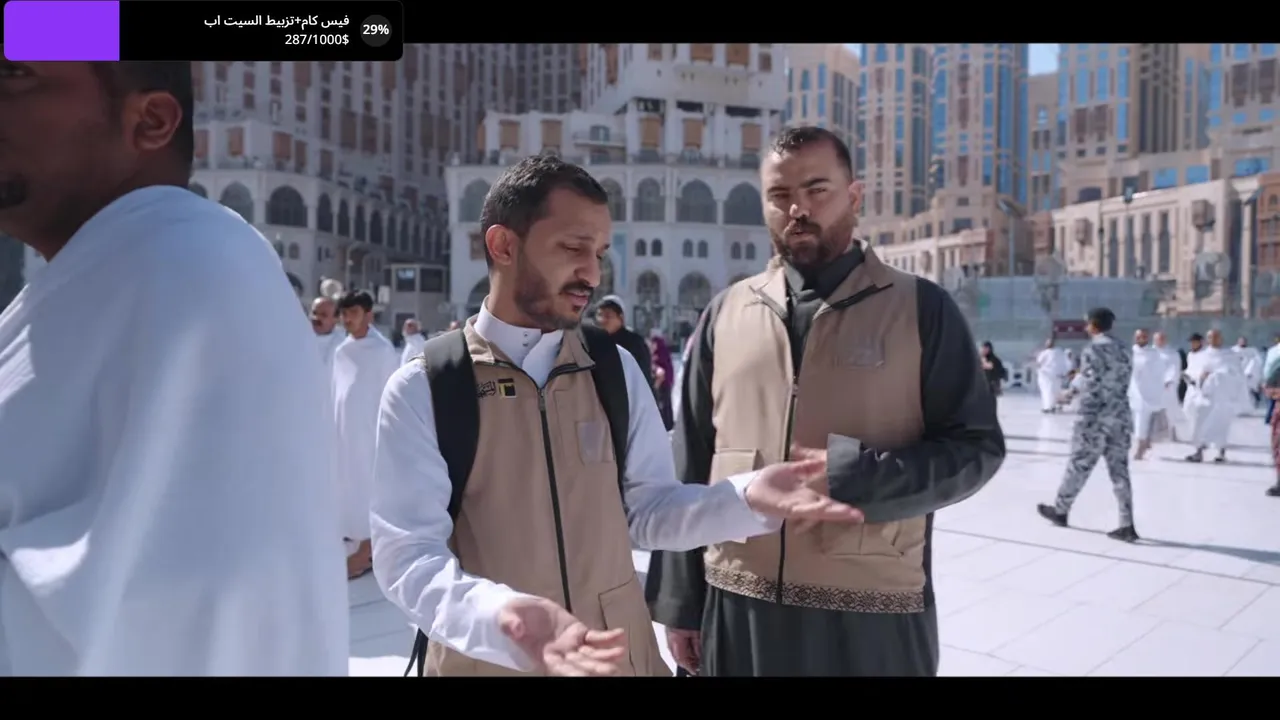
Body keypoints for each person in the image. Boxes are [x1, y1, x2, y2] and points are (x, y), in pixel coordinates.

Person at [370, 154, 861, 677]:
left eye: (600, 253)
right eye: (573, 248)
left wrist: (745, 499)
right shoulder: (428, 386)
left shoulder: (612, 368)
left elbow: (647, 511)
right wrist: (498, 617)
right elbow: (409, 558)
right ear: (503, 245)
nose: (592, 273)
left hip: (619, 660)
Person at [0, 60, 347, 674]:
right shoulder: (128, 266)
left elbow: (163, 613)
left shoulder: (187, 265)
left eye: (14, 72)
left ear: (150, 121)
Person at [646, 127, 1005, 677]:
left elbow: (976, 448)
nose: (798, 209)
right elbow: (691, 456)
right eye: (779, 195)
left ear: (854, 196)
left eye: (817, 190)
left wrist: (856, 478)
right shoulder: (727, 312)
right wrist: (680, 602)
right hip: (738, 600)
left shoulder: (920, 309)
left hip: (871, 611)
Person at [1037, 308, 1137, 542]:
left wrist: (1069, 392)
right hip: (1120, 415)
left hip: (1095, 415)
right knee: (1120, 470)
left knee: (1079, 464)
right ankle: (1127, 523)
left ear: (1093, 325)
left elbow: (1089, 379)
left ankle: (1061, 510)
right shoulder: (1125, 349)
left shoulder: (1093, 349)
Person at [332, 289, 401, 579]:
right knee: (347, 486)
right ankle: (355, 544)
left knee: (368, 490)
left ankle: (368, 551)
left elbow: (392, 395)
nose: (347, 319)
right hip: (344, 433)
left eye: (354, 313)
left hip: (371, 434)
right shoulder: (341, 351)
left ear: (368, 315)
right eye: (344, 313)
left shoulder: (382, 351)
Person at [1182, 329, 1246, 464]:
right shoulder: (1202, 355)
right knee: (1200, 423)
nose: (1213, 340)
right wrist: (1196, 377)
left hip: (1222, 397)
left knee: (1221, 424)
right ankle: (1199, 451)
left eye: (1216, 337)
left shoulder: (1229, 355)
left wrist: (1216, 375)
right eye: (1210, 337)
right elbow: (1194, 371)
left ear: (1221, 338)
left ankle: (1220, 452)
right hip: (1205, 396)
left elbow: (1236, 373)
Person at [594, 294, 654, 390]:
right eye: (599, 315)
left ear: (621, 318)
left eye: (608, 316)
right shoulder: (594, 341)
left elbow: (643, 377)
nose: (602, 320)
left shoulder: (634, 342)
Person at [1130, 329, 1171, 460]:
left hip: (1149, 392)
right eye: (1138, 337)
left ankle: (1141, 446)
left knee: (1142, 420)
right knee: (1136, 420)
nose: (1140, 339)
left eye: (1143, 337)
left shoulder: (1154, 354)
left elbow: (1160, 372)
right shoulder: (1130, 352)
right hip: (1133, 391)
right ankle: (1143, 442)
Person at [1152, 331, 1183, 441]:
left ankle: (1172, 431)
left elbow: (1174, 368)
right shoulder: (1150, 352)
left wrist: (1168, 380)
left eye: (1162, 339)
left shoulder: (1172, 353)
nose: (1160, 341)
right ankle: (1153, 434)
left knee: (1171, 409)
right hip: (1152, 385)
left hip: (1168, 386)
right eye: (1157, 339)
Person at [649, 332, 676, 431]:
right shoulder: (662, 351)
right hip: (667, 380)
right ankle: (668, 422)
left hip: (664, 381)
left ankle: (666, 423)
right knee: (666, 402)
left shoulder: (660, 353)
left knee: (664, 403)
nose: (652, 346)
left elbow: (661, 370)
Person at [311, 296, 346, 372]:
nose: (316, 318)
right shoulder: (299, 338)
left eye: (323, 315)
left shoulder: (343, 345)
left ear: (336, 319)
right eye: (314, 313)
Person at [1035, 337, 1070, 413]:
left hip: (1047, 375)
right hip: (1056, 375)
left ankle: (1048, 407)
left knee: (1047, 391)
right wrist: (1064, 372)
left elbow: (1039, 363)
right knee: (1054, 391)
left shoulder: (1045, 353)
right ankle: (1053, 406)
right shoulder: (1059, 352)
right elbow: (1064, 363)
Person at [1233, 336, 1265, 410]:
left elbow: (1258, 361)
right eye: (1241, 341)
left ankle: (1253, 404)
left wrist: (1250, 371)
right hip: (1237, 375)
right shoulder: (1233, 350)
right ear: (1238, 342)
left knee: (1251, 391)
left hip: (1249, 375)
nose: (1242, 342)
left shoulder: (1252, 351)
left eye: (1244, 341)